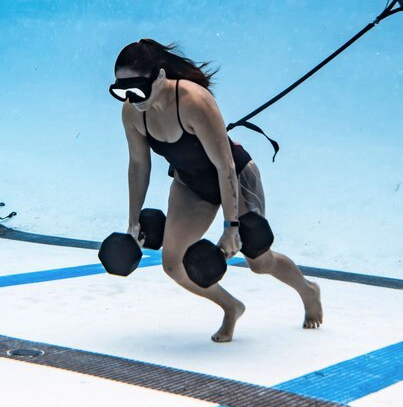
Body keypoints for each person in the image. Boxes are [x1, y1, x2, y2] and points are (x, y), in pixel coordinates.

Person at [109, 39, 322, 342]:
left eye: (137, 88)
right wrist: (133, 223)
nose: (131, 97)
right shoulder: (132, 113)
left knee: (258, 261)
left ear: (158, 76)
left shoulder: (194, 101)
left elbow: (225, 167)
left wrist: (231, 226)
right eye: (121, 91)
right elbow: (139, 165)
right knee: (173, 264)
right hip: (191, 183)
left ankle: (308, 290)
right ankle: (231, 306)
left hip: (236, 176)